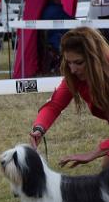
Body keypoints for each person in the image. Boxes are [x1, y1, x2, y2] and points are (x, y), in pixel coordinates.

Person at [30, 26, 109, 169]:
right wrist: (39, 128)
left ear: (94, 58)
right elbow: (55, 105)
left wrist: (94, 153)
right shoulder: (75, 77)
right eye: (69, 62)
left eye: (79, 63)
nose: (72, 69)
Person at [40, 0, 73, 73]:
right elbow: (69, 21)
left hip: (50, 38)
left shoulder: (47, 10)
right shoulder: (56, 10)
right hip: (57, 39)